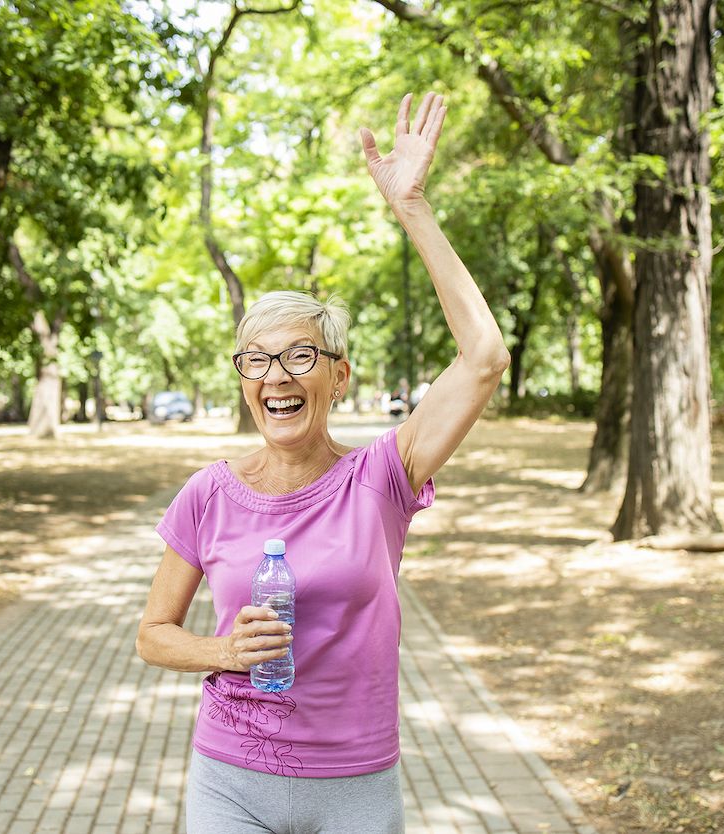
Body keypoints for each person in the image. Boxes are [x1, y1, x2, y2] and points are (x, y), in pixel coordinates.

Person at [136, 91, 509, 833]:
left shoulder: (381, 478)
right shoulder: (209, 494)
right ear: (244, 380)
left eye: (300, 355)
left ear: (338, 377)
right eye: (258, 359)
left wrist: (413, 208)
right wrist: (222, 649)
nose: (276, 375)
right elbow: (153, 633)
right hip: (230, 778)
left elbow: (485, 356)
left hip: (356, 785)